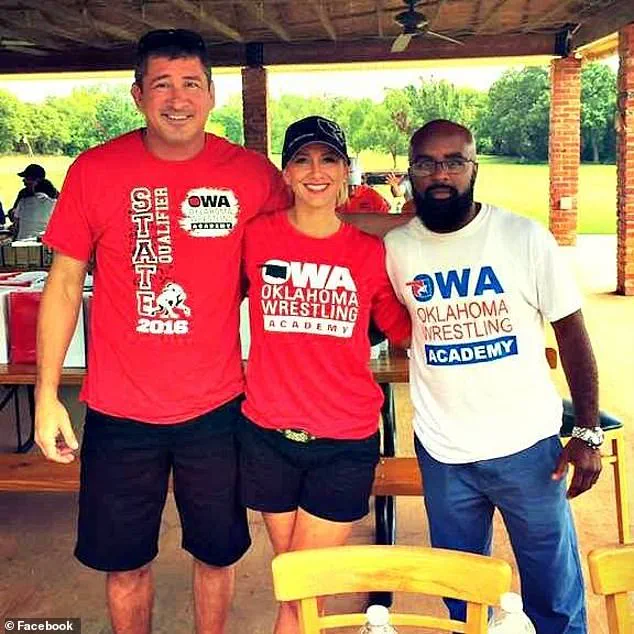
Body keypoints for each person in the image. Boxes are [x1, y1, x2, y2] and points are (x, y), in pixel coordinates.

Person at [36, 28, 289, 634]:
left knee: (217, 555)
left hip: (217, 407)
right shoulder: (96, 170)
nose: (178, 99)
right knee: (124, 565)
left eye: (191, 84)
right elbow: (64, 284)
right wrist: (46, 396)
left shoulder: (251, 176)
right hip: (119, 412)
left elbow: (298, 250)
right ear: (138, 95)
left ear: (212, 94)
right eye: (162, 85)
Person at [384, 119, 601, 634]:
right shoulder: (396, 248)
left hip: (528, 449)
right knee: (463, 596)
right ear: (410, 171)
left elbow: (573, 335)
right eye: (426, 163)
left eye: (454, 162)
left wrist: (587, 432)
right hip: (444, 454)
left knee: (554, 595)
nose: (441, 174)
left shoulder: (523, 237)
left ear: (474, 167)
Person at [239, 115, 411, 634]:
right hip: (267, 435)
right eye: (302, 160)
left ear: (345, 172)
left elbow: (404, 327)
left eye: (329, 159)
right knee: (293, 585)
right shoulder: (255, 238)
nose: (316, 171)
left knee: (302, 588)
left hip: (343, 440)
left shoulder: (368, 252)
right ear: (286, 174)